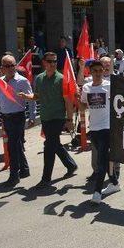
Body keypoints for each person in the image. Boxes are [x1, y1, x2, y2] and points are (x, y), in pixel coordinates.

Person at [18, 52, 77, 186]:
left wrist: (69, 120)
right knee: (54, 144)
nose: (53, 64)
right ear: (44, 63)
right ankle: (71, 165)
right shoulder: (39, 78)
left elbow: (68, 101)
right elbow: (37, 96)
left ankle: (46, 178)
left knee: (49, 146)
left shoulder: (61, 79)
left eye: (55, 61)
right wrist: (27, 97)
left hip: (58, 117)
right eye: (50, 61)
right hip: (45, 117)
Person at [80, 60, 120, 203]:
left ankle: (97, 192)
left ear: (104, 71)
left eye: (100, 70)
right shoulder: (86, 87)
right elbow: (83, 104)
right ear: (90, 72)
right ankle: (114, 183)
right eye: (95, 71)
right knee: (106, 158)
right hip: (94, 129)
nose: (97, 73)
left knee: (101, 161)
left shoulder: (109, 86)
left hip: (106, 128)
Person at [0, 53, 33, 187]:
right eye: (7, 66)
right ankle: (24, 169)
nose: (11, 68)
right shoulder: (0, 81)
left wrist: (31, 116)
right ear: (2, 68)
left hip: (17, 117)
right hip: (6, 117)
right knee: (16, 144)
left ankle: (14, 175)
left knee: (12, 146)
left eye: (13, 65)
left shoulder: (22, 81)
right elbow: (0, 98)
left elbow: (31, 99)